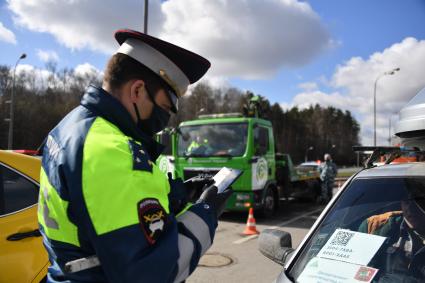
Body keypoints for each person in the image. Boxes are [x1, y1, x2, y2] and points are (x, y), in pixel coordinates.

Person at [37, 29, 232, 283]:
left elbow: (99, 208)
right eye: (164, 108)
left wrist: (180, 196)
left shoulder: (73, 125)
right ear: (138, 91)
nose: (165, 119)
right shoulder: (112, 151)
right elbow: (157, 271)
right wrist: (206, 213)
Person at [358, 197, 425, 280]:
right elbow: (357, 274)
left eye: (418, 202)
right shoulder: (373, 227)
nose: (410, 209)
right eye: (406, 202)